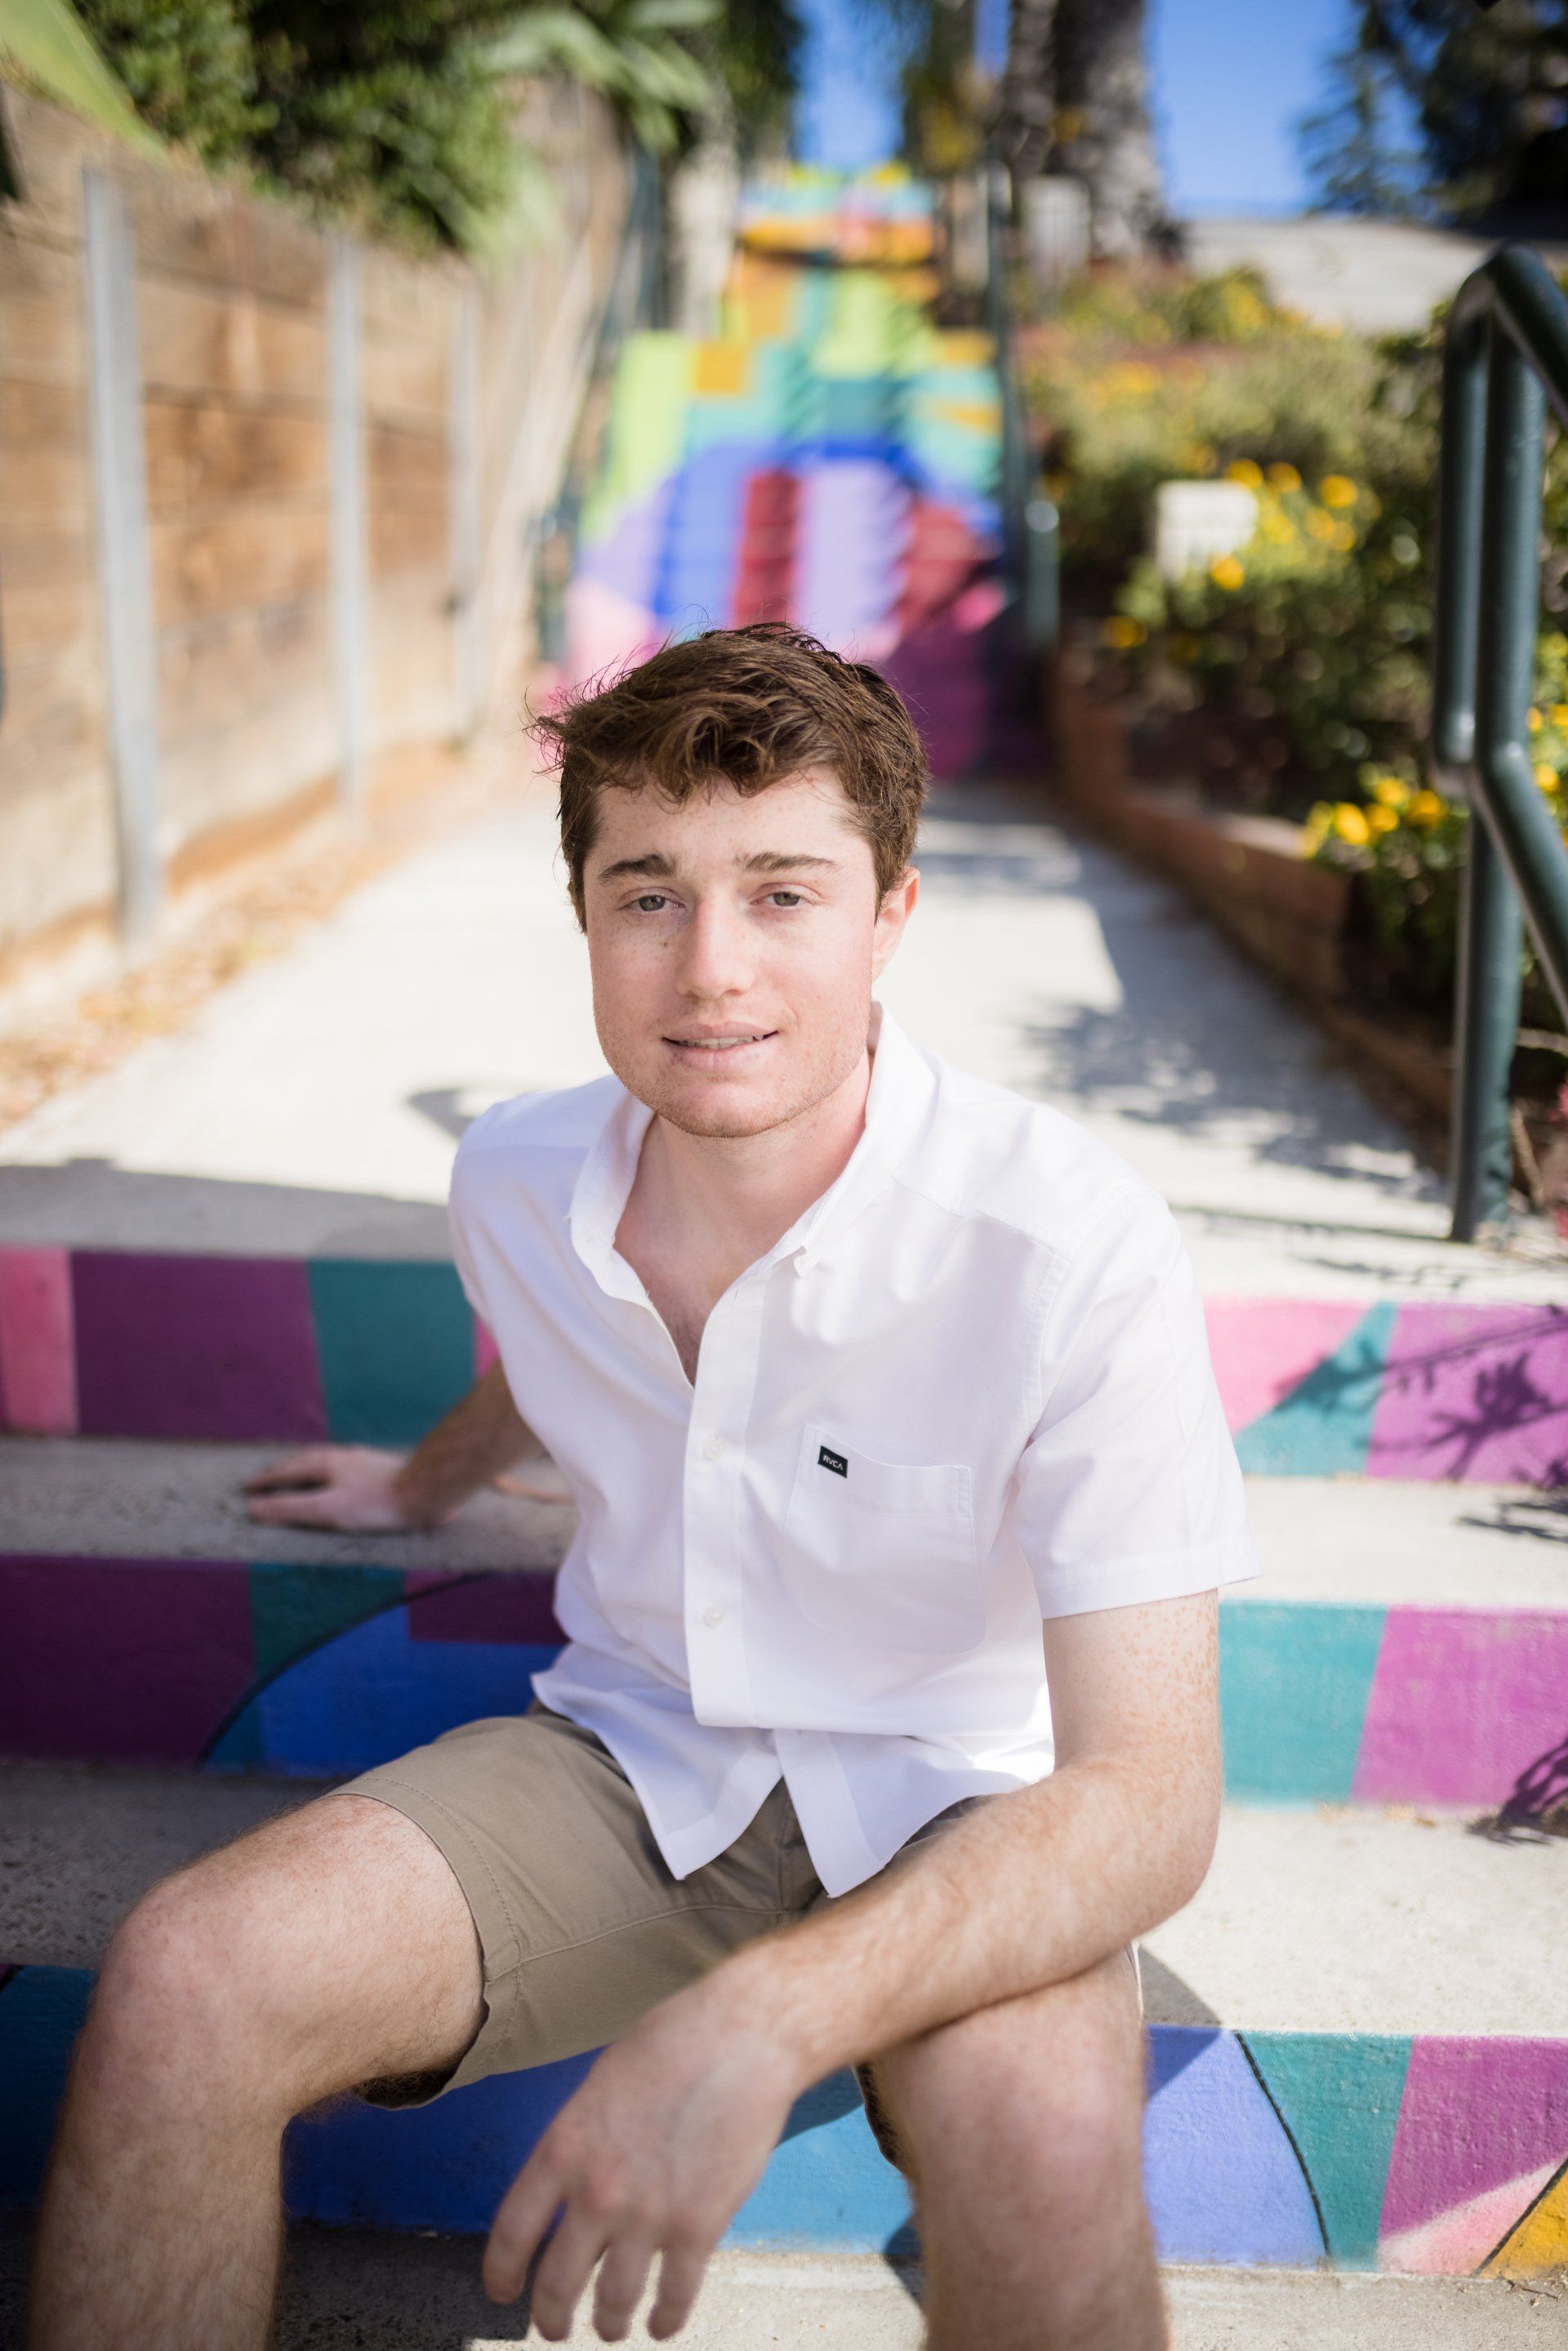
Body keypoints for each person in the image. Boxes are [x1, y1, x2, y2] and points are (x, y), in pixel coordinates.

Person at [29, 624, 1256, 2351]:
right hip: (637, 1757)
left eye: (783, 892)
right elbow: (569, 1347)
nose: (710, 969)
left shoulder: (1064, 1243)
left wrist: (761, 2021)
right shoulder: (515, 1178)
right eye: (650, 894)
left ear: (892, 913)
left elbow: (1150, 1797)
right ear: (586, 916)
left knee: (1045, 2148)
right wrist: (425, 1483)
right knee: (185, 1980)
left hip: (963, 1801)